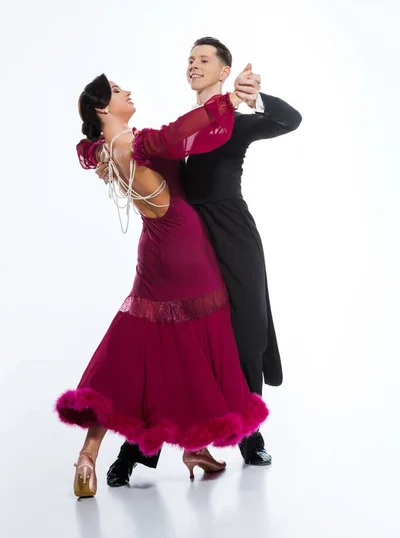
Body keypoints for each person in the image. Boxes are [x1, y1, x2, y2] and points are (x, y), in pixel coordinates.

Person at [55, 73, 269, 498]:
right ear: (102, 108)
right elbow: (180, 133)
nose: (128, 91)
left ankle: (89, 456)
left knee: (135, 349)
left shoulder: (107, 149)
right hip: (185, 248)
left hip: (154, 253)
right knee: (194, 344)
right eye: (117, 91)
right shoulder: (134, 144)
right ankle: (195, 446)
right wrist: (225, 101)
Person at [102, 38, 302, 487]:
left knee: (246, 334)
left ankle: (250, 434)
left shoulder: (235, 122)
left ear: (224, 72)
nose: (194, 65)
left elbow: (290, 120)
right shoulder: (183, 128)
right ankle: (135, 449)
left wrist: (256, 97)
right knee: (167, 342)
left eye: (204, 60)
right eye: (189, 60)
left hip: (232, 237)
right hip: (184, 246)